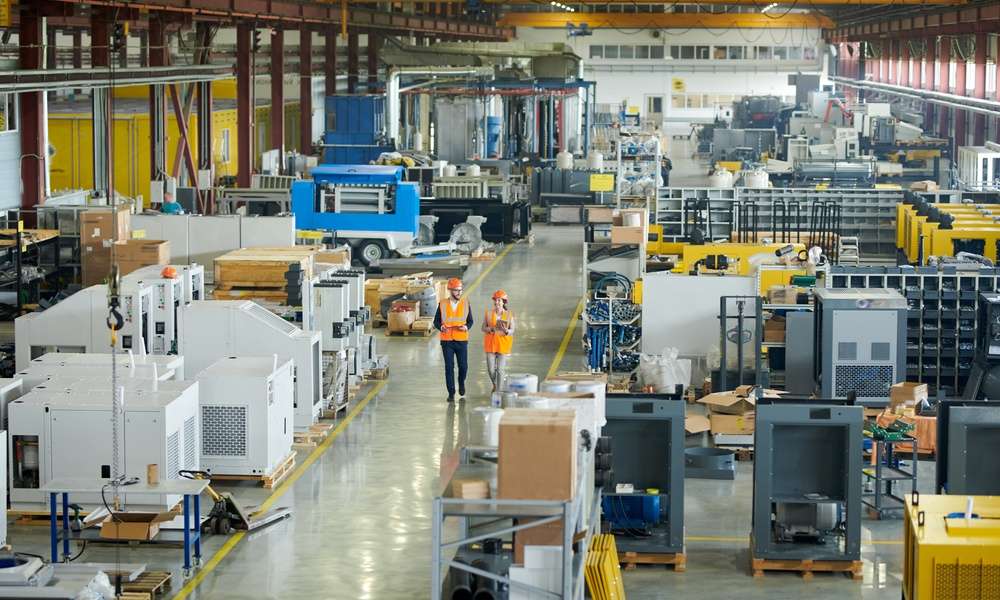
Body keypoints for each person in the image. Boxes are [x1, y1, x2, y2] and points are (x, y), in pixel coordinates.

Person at [433, 277, 473, 402]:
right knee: (449, 367)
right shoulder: (442, 304)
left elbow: (470, 321)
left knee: (463, 367)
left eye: (460, 290)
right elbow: (436, 321)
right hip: (447, 341)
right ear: (450, 291)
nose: (459, 292)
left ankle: (461, 382)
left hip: (461, 340)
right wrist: (441, 327)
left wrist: (466, 327)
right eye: (456, 290)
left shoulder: (466, 303)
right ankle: (451, 392)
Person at [482, 290, 515, 394]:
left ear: (504, 302)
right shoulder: (488, 313)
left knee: (500, 370)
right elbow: (483, 327)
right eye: (495, 300)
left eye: (499, 300)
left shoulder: (509, 315)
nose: (497, 302)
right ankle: (495, 384)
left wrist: (507, 331)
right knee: (491, 369)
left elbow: (512, 330)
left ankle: (499, 391)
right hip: (490, 345)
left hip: (502, 345)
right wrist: (490, 329)